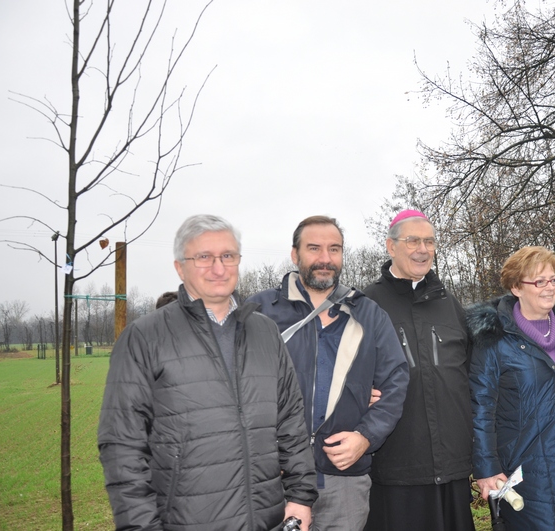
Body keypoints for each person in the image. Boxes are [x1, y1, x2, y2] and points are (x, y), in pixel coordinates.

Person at [98, 214, 316, 530]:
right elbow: (122, 447)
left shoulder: (266, 332)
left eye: (228, 256)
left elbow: (291, 423)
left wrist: (300, 498)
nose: (218, 268)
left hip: (268, 519)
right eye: (204, 257)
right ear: (180, 266)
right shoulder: (144, 337)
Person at [248, 215, 409, 531]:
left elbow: (396, 381)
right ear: (295, 255)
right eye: (314, 248)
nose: (325, 259)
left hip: (343, 480)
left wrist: (365, 437)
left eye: (334, 249)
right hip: (273, 480)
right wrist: (263, 450)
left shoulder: (369, 314)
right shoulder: (260, 311)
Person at [468, 246, 555, 530]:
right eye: (540, 281)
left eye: (554, 280)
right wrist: (486, 467)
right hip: (528, 467)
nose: (550, 288)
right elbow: (481, 406)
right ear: (516, 287)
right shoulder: (494, 338)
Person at [362, 209, 475, 531]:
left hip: (452, 464)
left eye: (429, 241)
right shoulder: (366, 305)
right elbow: (343, 376)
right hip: (395, 464)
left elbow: (471, 376)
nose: (422, 249)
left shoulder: (450, 304)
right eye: (412, 241)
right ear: (390, 246)